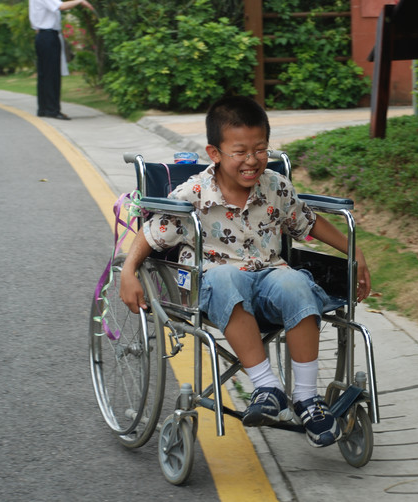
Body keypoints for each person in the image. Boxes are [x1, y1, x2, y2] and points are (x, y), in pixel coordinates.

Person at [119, 96, 371, 447]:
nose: (252, 161)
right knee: (227, 277)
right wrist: (128, 270)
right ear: (215, 153)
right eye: (240, 152)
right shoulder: (193, 194)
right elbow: (151, 233)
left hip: (268, 278)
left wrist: (353, 251)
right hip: (213, 285)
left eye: (260, 149)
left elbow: (307, 222)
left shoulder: (275, 186)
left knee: (295, 282)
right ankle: (266, 386)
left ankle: (306, 399)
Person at [28, 0, 95, 120]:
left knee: (44, 74)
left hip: (42, 36)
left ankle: (43, 108)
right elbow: (61, 6)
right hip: (48, 36)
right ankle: (52, 110)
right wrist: (80, 1)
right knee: (52, 74)